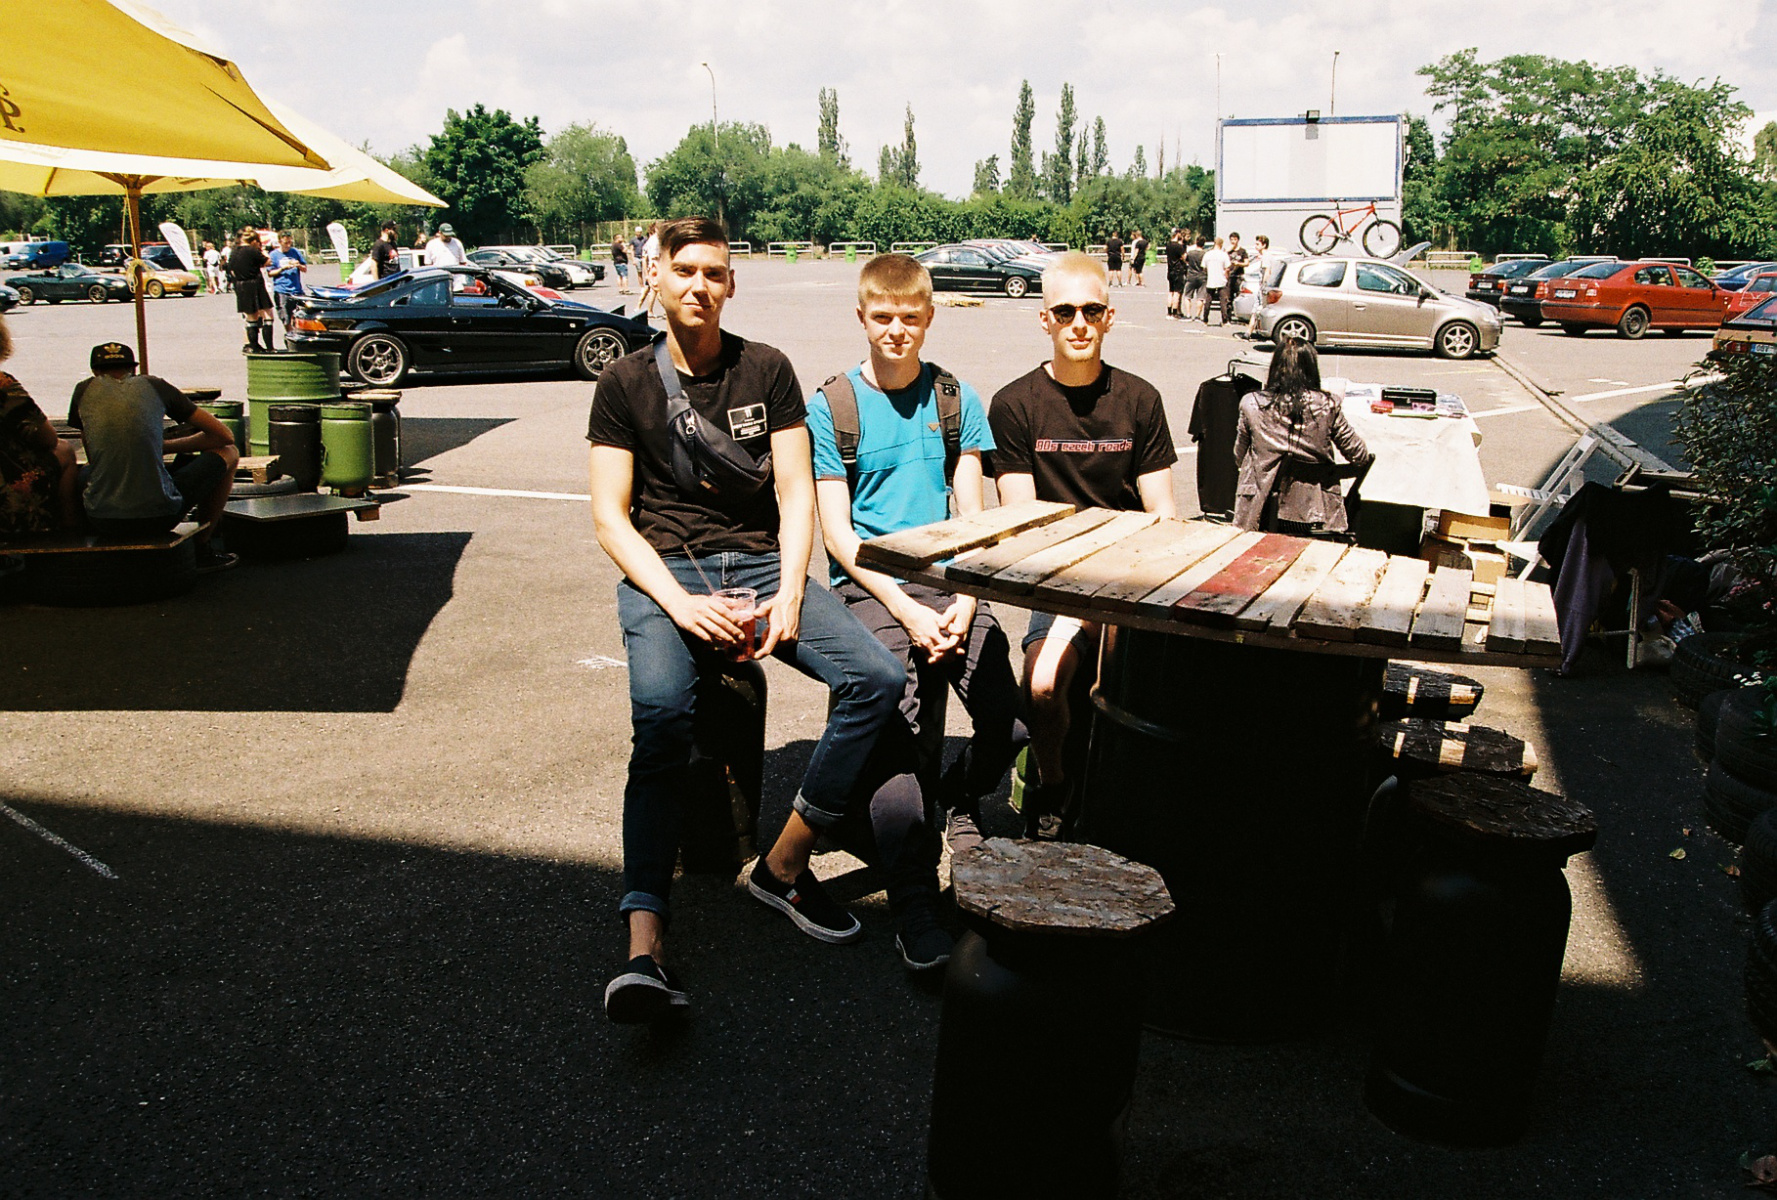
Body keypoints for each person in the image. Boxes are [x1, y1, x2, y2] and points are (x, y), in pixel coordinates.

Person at [587, 216, 906, 1023]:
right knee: (662, 715)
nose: (699, 285)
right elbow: (610, 518)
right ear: (655, 276)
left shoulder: (765, 367)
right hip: (668, 572)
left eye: (714, 273)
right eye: (684, 270)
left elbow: (796, 494)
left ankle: (784, 863)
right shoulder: (623, 381)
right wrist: (681, 605)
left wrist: (792, 593)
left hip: (762, 565)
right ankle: (644, 944)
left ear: (731, 283)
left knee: (875, 677)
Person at [806, 253, 1027, 968]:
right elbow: (839, 538)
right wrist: (905, 609)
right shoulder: (832, 405)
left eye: (909, 317)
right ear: (861, 317)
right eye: (882, 317)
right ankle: (912, 902)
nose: (896, 330)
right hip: (872, 588)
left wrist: (966, 598)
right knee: (896, 738)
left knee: (1010, 721)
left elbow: (975, 521)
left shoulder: (956, 399)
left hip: (949, 584)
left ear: (930, 317)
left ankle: (958, 798)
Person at [987, 252, 1177, 836]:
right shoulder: (1015, 404)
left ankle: (1129, 805)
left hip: (1131, 581)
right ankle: (1053, 788)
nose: (1079, 324)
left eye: (1091, 311)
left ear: (1109, 317)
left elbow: (1164, 514)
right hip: (1057, 583)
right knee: (1043, 685)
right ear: (1044, 318)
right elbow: (1022, 524)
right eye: (1065, 311)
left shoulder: (1139, 399)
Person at [69, 341, 239, 570]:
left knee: (86, 471)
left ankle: (76, 538)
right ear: (134, 369)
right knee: (230, 453)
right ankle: (202, 547)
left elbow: (93, 453)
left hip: (102, 519)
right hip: (160, 516)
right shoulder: (155, 385)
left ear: (95, 371)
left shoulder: (83, 390)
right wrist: (164, 447)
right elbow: (224, 436)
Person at [1232, 337, 1372, 535]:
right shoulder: (1328, 405)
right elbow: (1360, 456)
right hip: (1315, 515)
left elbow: (1238, 456)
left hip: (1262, 512)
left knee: (1251, 461)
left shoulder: (1251, 403)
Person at [0, 315, 79, 535]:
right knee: (65, 451)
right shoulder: (3, 386)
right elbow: (47, 438)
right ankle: (68, 532)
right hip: (7, 495)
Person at [227, 226, 277, 352]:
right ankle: (270, 347)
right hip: (255, 284)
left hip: (241, 285)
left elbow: (231, 270)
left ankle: (254, 346)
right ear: (253, 241)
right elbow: (268, 262)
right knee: (267, 314)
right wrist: (263, 251)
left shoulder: (234, 251)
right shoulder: (252, 250)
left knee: (251, 317)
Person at [267, 231, 308, 330]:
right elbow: (270, 273)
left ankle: (296, 334)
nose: (288, 245)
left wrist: (298, 265)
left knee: (301, 316)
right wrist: (282, 268)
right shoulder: (273, 255)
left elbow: (304, 269)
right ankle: (289, 333)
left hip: (296, 290)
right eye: (286, 243)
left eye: (290, 242)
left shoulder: (295, 252)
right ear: (280, 242)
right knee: (285, 318)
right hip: (282, 290)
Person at [1245, 234, 1273, 337]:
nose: (1255, 246)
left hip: (1263, 288)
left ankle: (1249, 332)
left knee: (1258, 309)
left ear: (1264, 245)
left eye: (1258, 244)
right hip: (1262, 287)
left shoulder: (1266, 256)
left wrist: (1263, 285)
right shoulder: (1265, 256)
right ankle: (1248, 332)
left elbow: (1267, 272)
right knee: (1256, 309)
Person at [1203, 236, 1231, 326]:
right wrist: (1226, 277)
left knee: (1208, 300)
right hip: (1221, 280)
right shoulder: (1224, 255)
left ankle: (1205, 319)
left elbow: (1204, 267)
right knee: (1223, 301)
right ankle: (1225, 320)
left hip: (1211, 279)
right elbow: (1227, 268)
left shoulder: (1207, 254)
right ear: (1221, 244)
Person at [1224, 232, 1248, 326]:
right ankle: (1228, 318)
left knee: (1239, 297)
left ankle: (1240, 318)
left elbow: (1247, 263)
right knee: (1228, 298)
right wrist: (1226, 251)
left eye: (1235, 239)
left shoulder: (1242, 251)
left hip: (1238, 276)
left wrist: (1239, 264)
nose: (1233, 241)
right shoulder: (1228, 251)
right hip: (1230, 276)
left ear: (1238, 240)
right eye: (1231, 240)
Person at [1164, 228, 1188, 319]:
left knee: (1171, 291)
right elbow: (1184, 257)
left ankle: (1169, 312)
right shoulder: (1179, 246)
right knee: (1177, 293)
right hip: (1178, 270)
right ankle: (1175, 312)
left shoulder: (1168, 245)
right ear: (1177, 234)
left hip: (1170, 270)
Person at [1183, 235, 1208, 321]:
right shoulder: (1205, 254)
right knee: (1200, 297)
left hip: (1191, 276)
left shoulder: (1190, 253)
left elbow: (1186, 260)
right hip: (1202, 276)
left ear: (1196, 242)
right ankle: (1197, 315)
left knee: (1187, 296)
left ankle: (1188, 314)